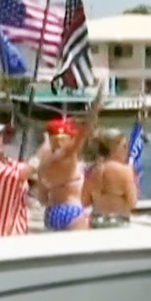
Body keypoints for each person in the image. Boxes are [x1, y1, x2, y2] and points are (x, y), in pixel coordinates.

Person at [32, 91, 105, 232]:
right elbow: (85, 132)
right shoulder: (67, 154)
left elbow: (42, 196)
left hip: (52, 211)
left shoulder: (45, 158)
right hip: (71, 210)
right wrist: (95, 108)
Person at [83, 128, 138, 228]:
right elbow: (132, 202)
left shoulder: (93, 170)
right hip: (119, 221)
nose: (127, 150)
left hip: (96, 220)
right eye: (124, 146)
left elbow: (84, 200)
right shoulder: (125, 171)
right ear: (114, 147)